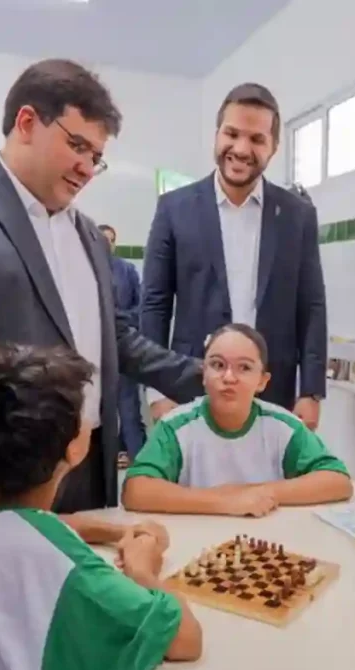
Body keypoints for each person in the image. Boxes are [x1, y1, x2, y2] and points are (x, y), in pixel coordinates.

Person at [0, 57, 203, 579]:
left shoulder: (88, 235)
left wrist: (198, 377)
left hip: (85, 471)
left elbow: (110, 338)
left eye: (96, 157)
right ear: (27, 122)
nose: (86, 168)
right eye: (77, 146)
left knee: (76, 639)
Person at [0, 343, 202, 670]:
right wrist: (142, 571)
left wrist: (115, 532)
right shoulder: (74, 573)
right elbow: (186, 639)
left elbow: (41, 527)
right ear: (72, 447)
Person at [141, 83, 327, 430]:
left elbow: (312, 305)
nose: (241, 148)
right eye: (232, 133)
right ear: (217, 135)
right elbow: (154, 304)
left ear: (273, 147)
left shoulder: (297, 215)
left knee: (267, 484)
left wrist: (311, 391)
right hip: (188, 388)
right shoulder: (174, 209)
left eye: (257, 139)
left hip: (272, 393)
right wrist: (156, 390)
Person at [121, 324, 352, 516]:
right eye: (218, 365)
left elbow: (337, 480)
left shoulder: (282, 426)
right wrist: (224, 501)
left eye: (244, 368)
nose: (228, 378)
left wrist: (256, 493)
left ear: (262, 381)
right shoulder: (176, 426)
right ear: (203, 373)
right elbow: (135, 490)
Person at [99, 223, 146, 460]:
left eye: (111, 239)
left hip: (124, 345)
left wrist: (119, 322)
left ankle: (140, 458)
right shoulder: (86, 268)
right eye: (102, 238)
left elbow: (142, 307)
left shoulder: (127, 270)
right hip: (94, 350)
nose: (107, 243)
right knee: (99, 407)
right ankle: (110, 454)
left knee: (128, 405)